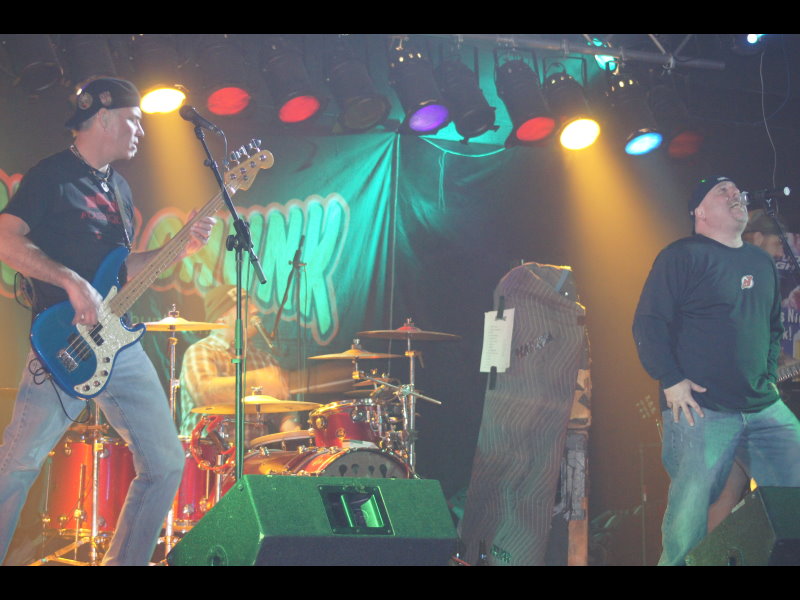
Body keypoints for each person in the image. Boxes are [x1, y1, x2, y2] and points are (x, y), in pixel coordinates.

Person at [0, 77, 215, 566]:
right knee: (18, 463)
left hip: (118, 341)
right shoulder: (52, 176)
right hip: (63, 344)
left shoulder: (119, 188)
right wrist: (70, 281)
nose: (141, 130)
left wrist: (178, 248)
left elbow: (122, 269)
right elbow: (5, 237)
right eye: (134, 120)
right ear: (103, 117)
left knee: (165, 463)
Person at [632, 175, 800, 565]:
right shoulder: (682, 255)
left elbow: (773, 327)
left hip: (761, 406)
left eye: (736, 189)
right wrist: (671, 379)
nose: (735, 194)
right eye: (722, 191)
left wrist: (767, 376)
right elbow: (648, 322)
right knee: (689, 516)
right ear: (700, 212)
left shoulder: (760, 261)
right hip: (701, 409)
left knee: (793, 490)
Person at [178, 285, 298, 442]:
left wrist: (289, 424)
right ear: (221, 317)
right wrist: (255, 380)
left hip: (255, 454)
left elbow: (283, 410)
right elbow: (205, 393)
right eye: (245, 306)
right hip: (207, 453)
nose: (255, 310)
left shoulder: (265, 359)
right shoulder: (200, 351)